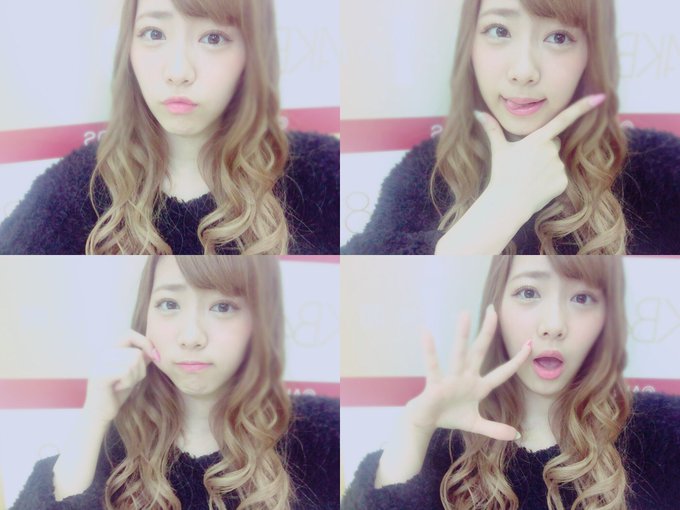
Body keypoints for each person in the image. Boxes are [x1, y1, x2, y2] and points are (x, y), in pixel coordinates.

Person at [0, 0, 339, 255]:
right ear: (128, 47)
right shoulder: (74, 191)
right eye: (154, 33)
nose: (178, 72)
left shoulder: (321, 173)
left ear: (252, 53)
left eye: (213, 38)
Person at [341, 0, 680, 255]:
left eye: (559, 37)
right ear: (470, 44)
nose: (523, 71)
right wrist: (500, 208)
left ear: (591, 53)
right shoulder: (428, 170)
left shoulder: (660, 167)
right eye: (499, 31)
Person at [342, 255, 680, 509]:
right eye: (528, 292)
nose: (554, 325)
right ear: (496, 307)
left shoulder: (661, 433)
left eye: (582, 298)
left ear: (607, 318)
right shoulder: (443, 449)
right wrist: (415, 429)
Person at [11, 256, 340, 509]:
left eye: (222, 307)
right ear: (146, 315)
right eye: (169, 304)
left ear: (259, 320)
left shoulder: (321, 434)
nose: (192, 337)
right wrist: (94, 416)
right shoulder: (109, 447)